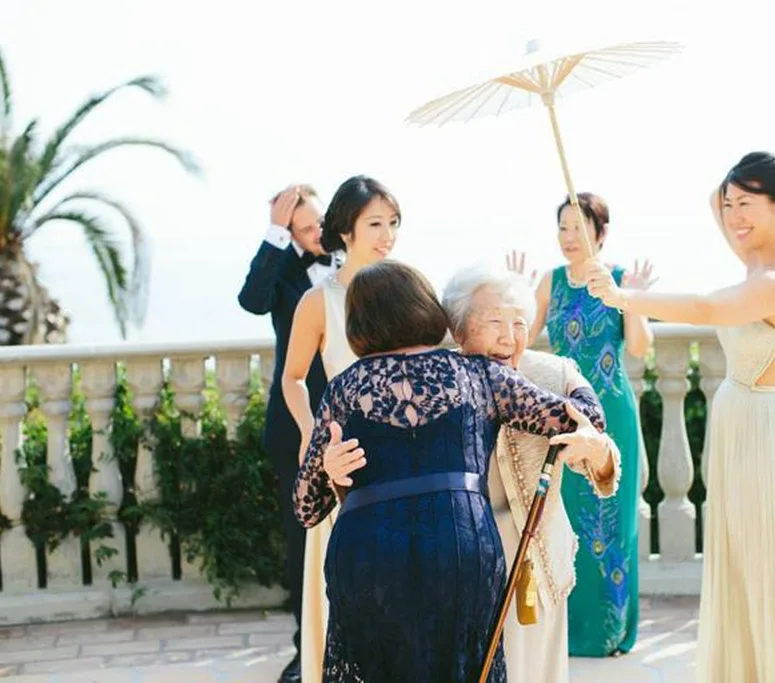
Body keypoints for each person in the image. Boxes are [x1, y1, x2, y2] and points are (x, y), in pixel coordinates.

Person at [584, 151, 775, 682]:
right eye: (729, 205)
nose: (733, 217)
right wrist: (738, 194)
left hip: (768, 430)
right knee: (741, 562)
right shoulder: (756, 256)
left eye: (747, 204)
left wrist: (626, 297)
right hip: (740, 423)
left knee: (770, 565)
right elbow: (717, 204)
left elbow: (708, 308)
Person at [292, 261, 607, 682]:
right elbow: (582, 420)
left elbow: (305, 507)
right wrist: (577, 383)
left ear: (359, 322)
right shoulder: (479, 374)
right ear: (425, 306)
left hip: (369, 554)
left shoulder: (343, 388)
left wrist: (329, 469)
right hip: (459, 546)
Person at [441, 265, 621, 682]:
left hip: (537, 562)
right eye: (494, 323)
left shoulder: (554, 374)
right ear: (459, 330)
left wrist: (597, 453)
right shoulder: (438, 381)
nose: (510, 337)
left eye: (519, 323)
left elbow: (596, 444)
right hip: (462, 565)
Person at [281, 175, 401, 683]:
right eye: (375, 223)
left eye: (393, 223)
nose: (387, 235)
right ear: (345, 231)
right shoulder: (319, 301)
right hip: (344, 462)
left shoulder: (406, 288)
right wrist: (310, 430)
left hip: (404, 458)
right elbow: (291, 377)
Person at [528, 192, 653, 656]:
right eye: (562, 228)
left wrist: (632, 299)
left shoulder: (617, 281)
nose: (569, 239)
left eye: (579, 229)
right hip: (569, 413)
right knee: (566, 519)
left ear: (601, 234)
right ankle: (570, 629)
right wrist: (518, 294)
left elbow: (639, 348)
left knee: (614, 522)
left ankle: (611, 630)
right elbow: (524, 335)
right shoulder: (550, 282)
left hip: (613, 413)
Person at [237, 184, 332, 683]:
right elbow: (251, 301)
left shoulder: (350, 259)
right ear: (289, 232)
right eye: (304, 228)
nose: (317, 233)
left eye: (320, 223)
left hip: (353, 421)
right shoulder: (282, 273)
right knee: (301, 544)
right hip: (294, 427)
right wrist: (274, 235)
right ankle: (306, 651)